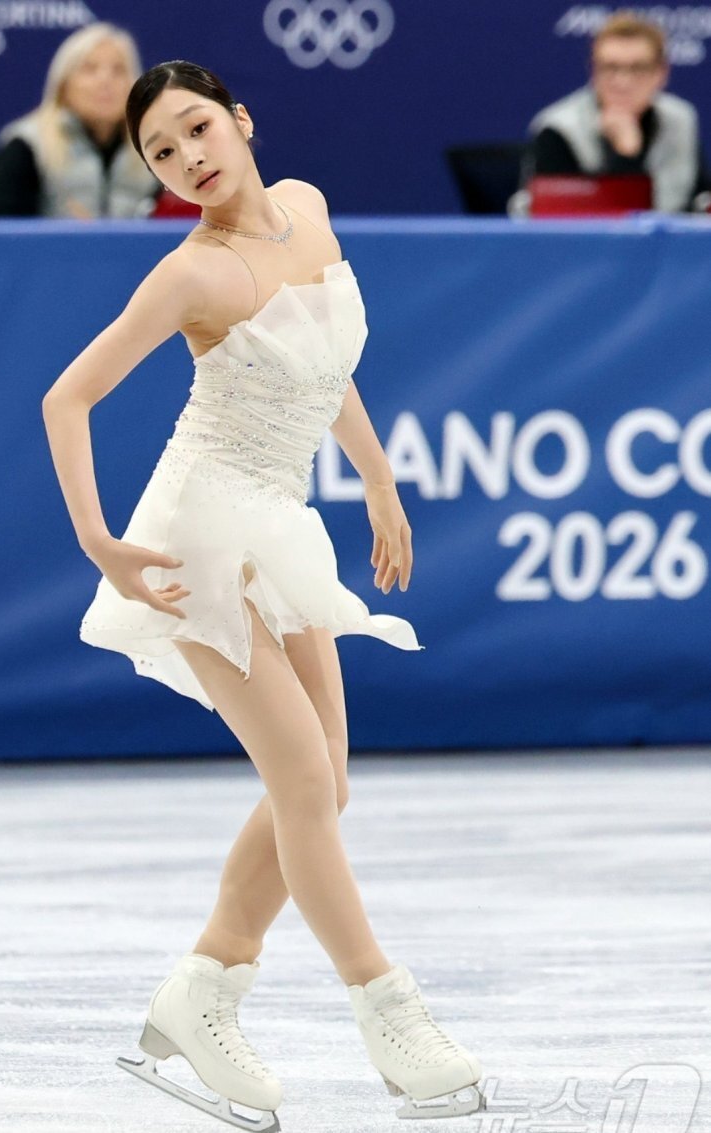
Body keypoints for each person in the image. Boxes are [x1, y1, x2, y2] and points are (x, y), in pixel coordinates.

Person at [41, 59, 484, 1127]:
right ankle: (387, 1009)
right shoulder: (188, 275)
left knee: (325, 781)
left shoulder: (307, 209)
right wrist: (100, 542)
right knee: (301, 773)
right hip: (196, 534)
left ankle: (204, 987)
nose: (187, 157)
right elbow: (68, 397)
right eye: (160, 151)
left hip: (275, 519)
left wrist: (379, 480)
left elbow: (324, 366)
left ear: (239, 121)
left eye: (197, 128)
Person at [524, 11, 711, 212]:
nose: (623, 82)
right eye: (610, 68)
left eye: (638, 68)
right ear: (593, 70)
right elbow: (559, 217)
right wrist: (626, 154)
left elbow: (695, 201)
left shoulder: (681, 119)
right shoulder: (558, 129)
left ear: (661, 73)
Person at [0, 24, 161, 219]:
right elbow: (6, 232)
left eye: (119, 70)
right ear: (63, 85)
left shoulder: (153, 149)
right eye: (90, 69)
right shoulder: (26, 146)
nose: (105, 80)